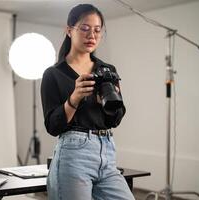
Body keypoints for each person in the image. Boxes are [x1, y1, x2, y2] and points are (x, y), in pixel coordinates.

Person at [41, 4, 135, 200]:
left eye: (97, 30)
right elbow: (52, 126)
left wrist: (109, 103)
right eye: (84, 28)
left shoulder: (107, 69)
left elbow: (115, 121)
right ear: (69, 30)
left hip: (107, 152)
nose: (91, 35)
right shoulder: (54, 74)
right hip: (73, 154)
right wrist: (74, 98)